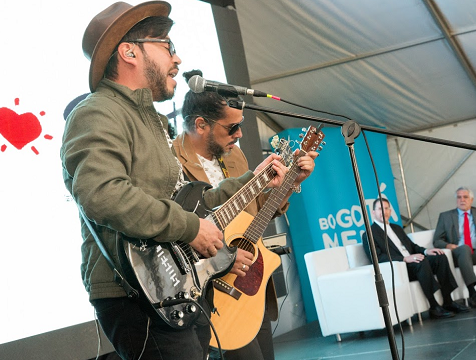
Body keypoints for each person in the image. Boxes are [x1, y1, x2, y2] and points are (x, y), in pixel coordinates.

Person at [61, 3, 288, 359]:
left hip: (174, 290)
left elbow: (194, 202)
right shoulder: (97, 112)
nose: (177, 58)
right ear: (129, 51)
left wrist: (253, 182)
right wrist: (189, 227)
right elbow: (100, 194)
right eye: (167, 45)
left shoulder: (149, 119)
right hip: (136, 293)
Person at [172, 69, 317, 359]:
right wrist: (224, 257)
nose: (239, 135)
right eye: (231, 128)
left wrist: (291, 185)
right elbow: (176, 234)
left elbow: (257, 213)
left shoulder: (234, 155)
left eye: (241, 126)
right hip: (213, 295)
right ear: (201, 125)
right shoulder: (172, 161)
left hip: (251, 282)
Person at [363, 198, 470, 319]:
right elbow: (378, 258)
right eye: (380, 209)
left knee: (439, 256)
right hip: (400, 267)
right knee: (421, 261)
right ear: (373, 212)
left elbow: (412, 246)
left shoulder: (396, 228)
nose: (384, 211)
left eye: (387, 208)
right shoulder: (369, 234)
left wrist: (426, 251)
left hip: (414, 262)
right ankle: (434, 306)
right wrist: (404, 259)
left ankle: (448, 301)